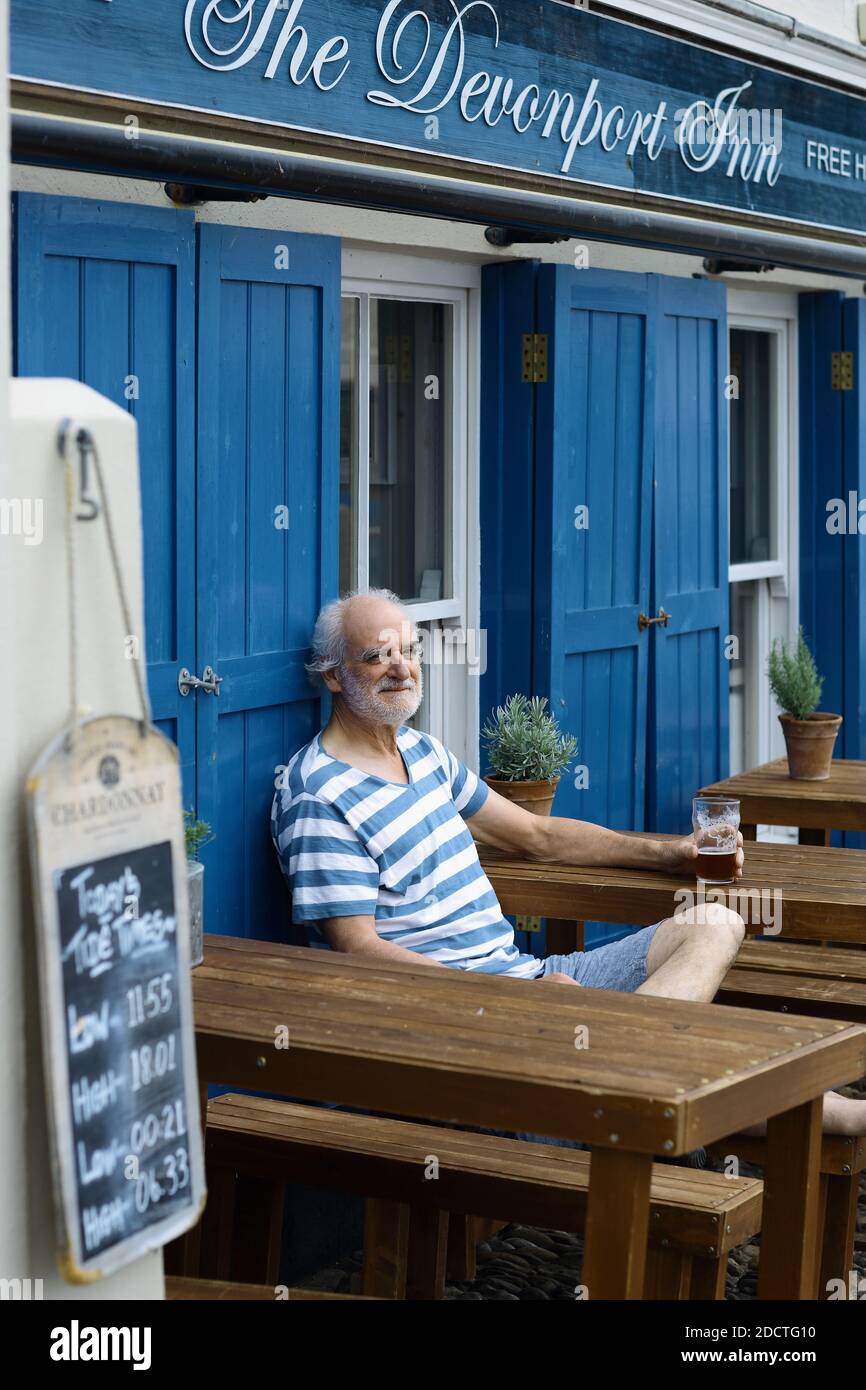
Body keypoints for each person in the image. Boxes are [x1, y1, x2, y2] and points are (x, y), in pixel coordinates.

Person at [271, 588, 866, 1137]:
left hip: (531, 980)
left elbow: (536, 834)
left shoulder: (423, 753)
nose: (402, 668)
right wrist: (508, 1002)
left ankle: (619, 1079)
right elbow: (358, 950)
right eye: (378, 656)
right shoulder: (317, 792)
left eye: (410, 650)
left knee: (717, 921)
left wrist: (670, 854)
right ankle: (688, 1096)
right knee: (690, 1050)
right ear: (333, 675)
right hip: (455, 1022)